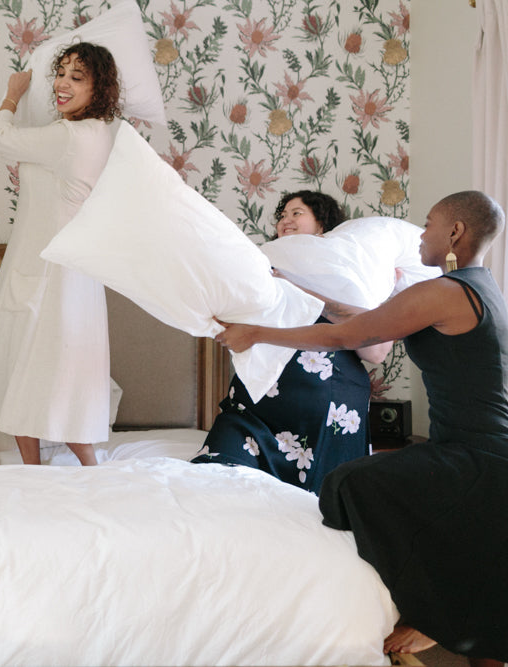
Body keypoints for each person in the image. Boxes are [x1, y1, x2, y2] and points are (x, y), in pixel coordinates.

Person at [214, 190, 508, 665]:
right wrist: (290, 285)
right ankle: (437, 614)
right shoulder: (475, 286)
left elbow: (346, 336)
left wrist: (256, 332)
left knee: (349, 483)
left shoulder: (445, 291)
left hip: (476, 457)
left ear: (456, 232)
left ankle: (426, 615)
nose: (419, 236)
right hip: (478, 450)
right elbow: (357, 318)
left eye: (430, 224)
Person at [192, 190, 392, 493]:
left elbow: (376, 351)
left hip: (328, 400)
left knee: (315, 505)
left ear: (322, 224)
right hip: (257, 403)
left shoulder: (350, 270)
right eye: (282, 216)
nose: (285, 221)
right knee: (217, 476)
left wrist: (296, 288)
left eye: (296, 213)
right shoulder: (261, 266)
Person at [0, 42, 121, 466]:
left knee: (34, 367)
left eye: (76, 77)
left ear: (98, 89)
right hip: (65, 270)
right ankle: (60, 467)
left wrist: (11, 94)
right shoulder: (103, 132)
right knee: (50, 369)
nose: (61, 83)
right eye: (59, 73)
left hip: (47, 271)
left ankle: (59, 467)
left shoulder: (68, 137)